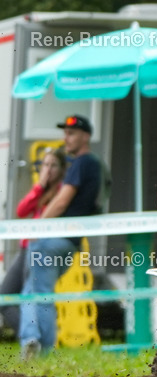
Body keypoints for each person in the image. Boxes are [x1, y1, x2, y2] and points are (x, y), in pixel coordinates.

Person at [19, 116, 105, 358]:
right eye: (65, 133)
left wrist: (38, 229)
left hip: (53, 240)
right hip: (70, 243)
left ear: (85, 136)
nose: (66, 138)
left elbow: (62, 200)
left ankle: (35, 342)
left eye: (72, 133)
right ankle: (39, 345)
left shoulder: (82, 162)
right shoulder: (92, 164)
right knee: (36, 292)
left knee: (37, 293)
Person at [1, 149, 67, 339]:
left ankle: (33, 338)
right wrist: (39, 186)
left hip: (41, 249)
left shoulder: (63, 192)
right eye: (45, 165)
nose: (48, 170)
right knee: (6, 297)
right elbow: (22, 210)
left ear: (62, 170)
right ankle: (32, 336)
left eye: (53, 165)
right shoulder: (40, 190)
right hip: (25, 249)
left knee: (32, 296)